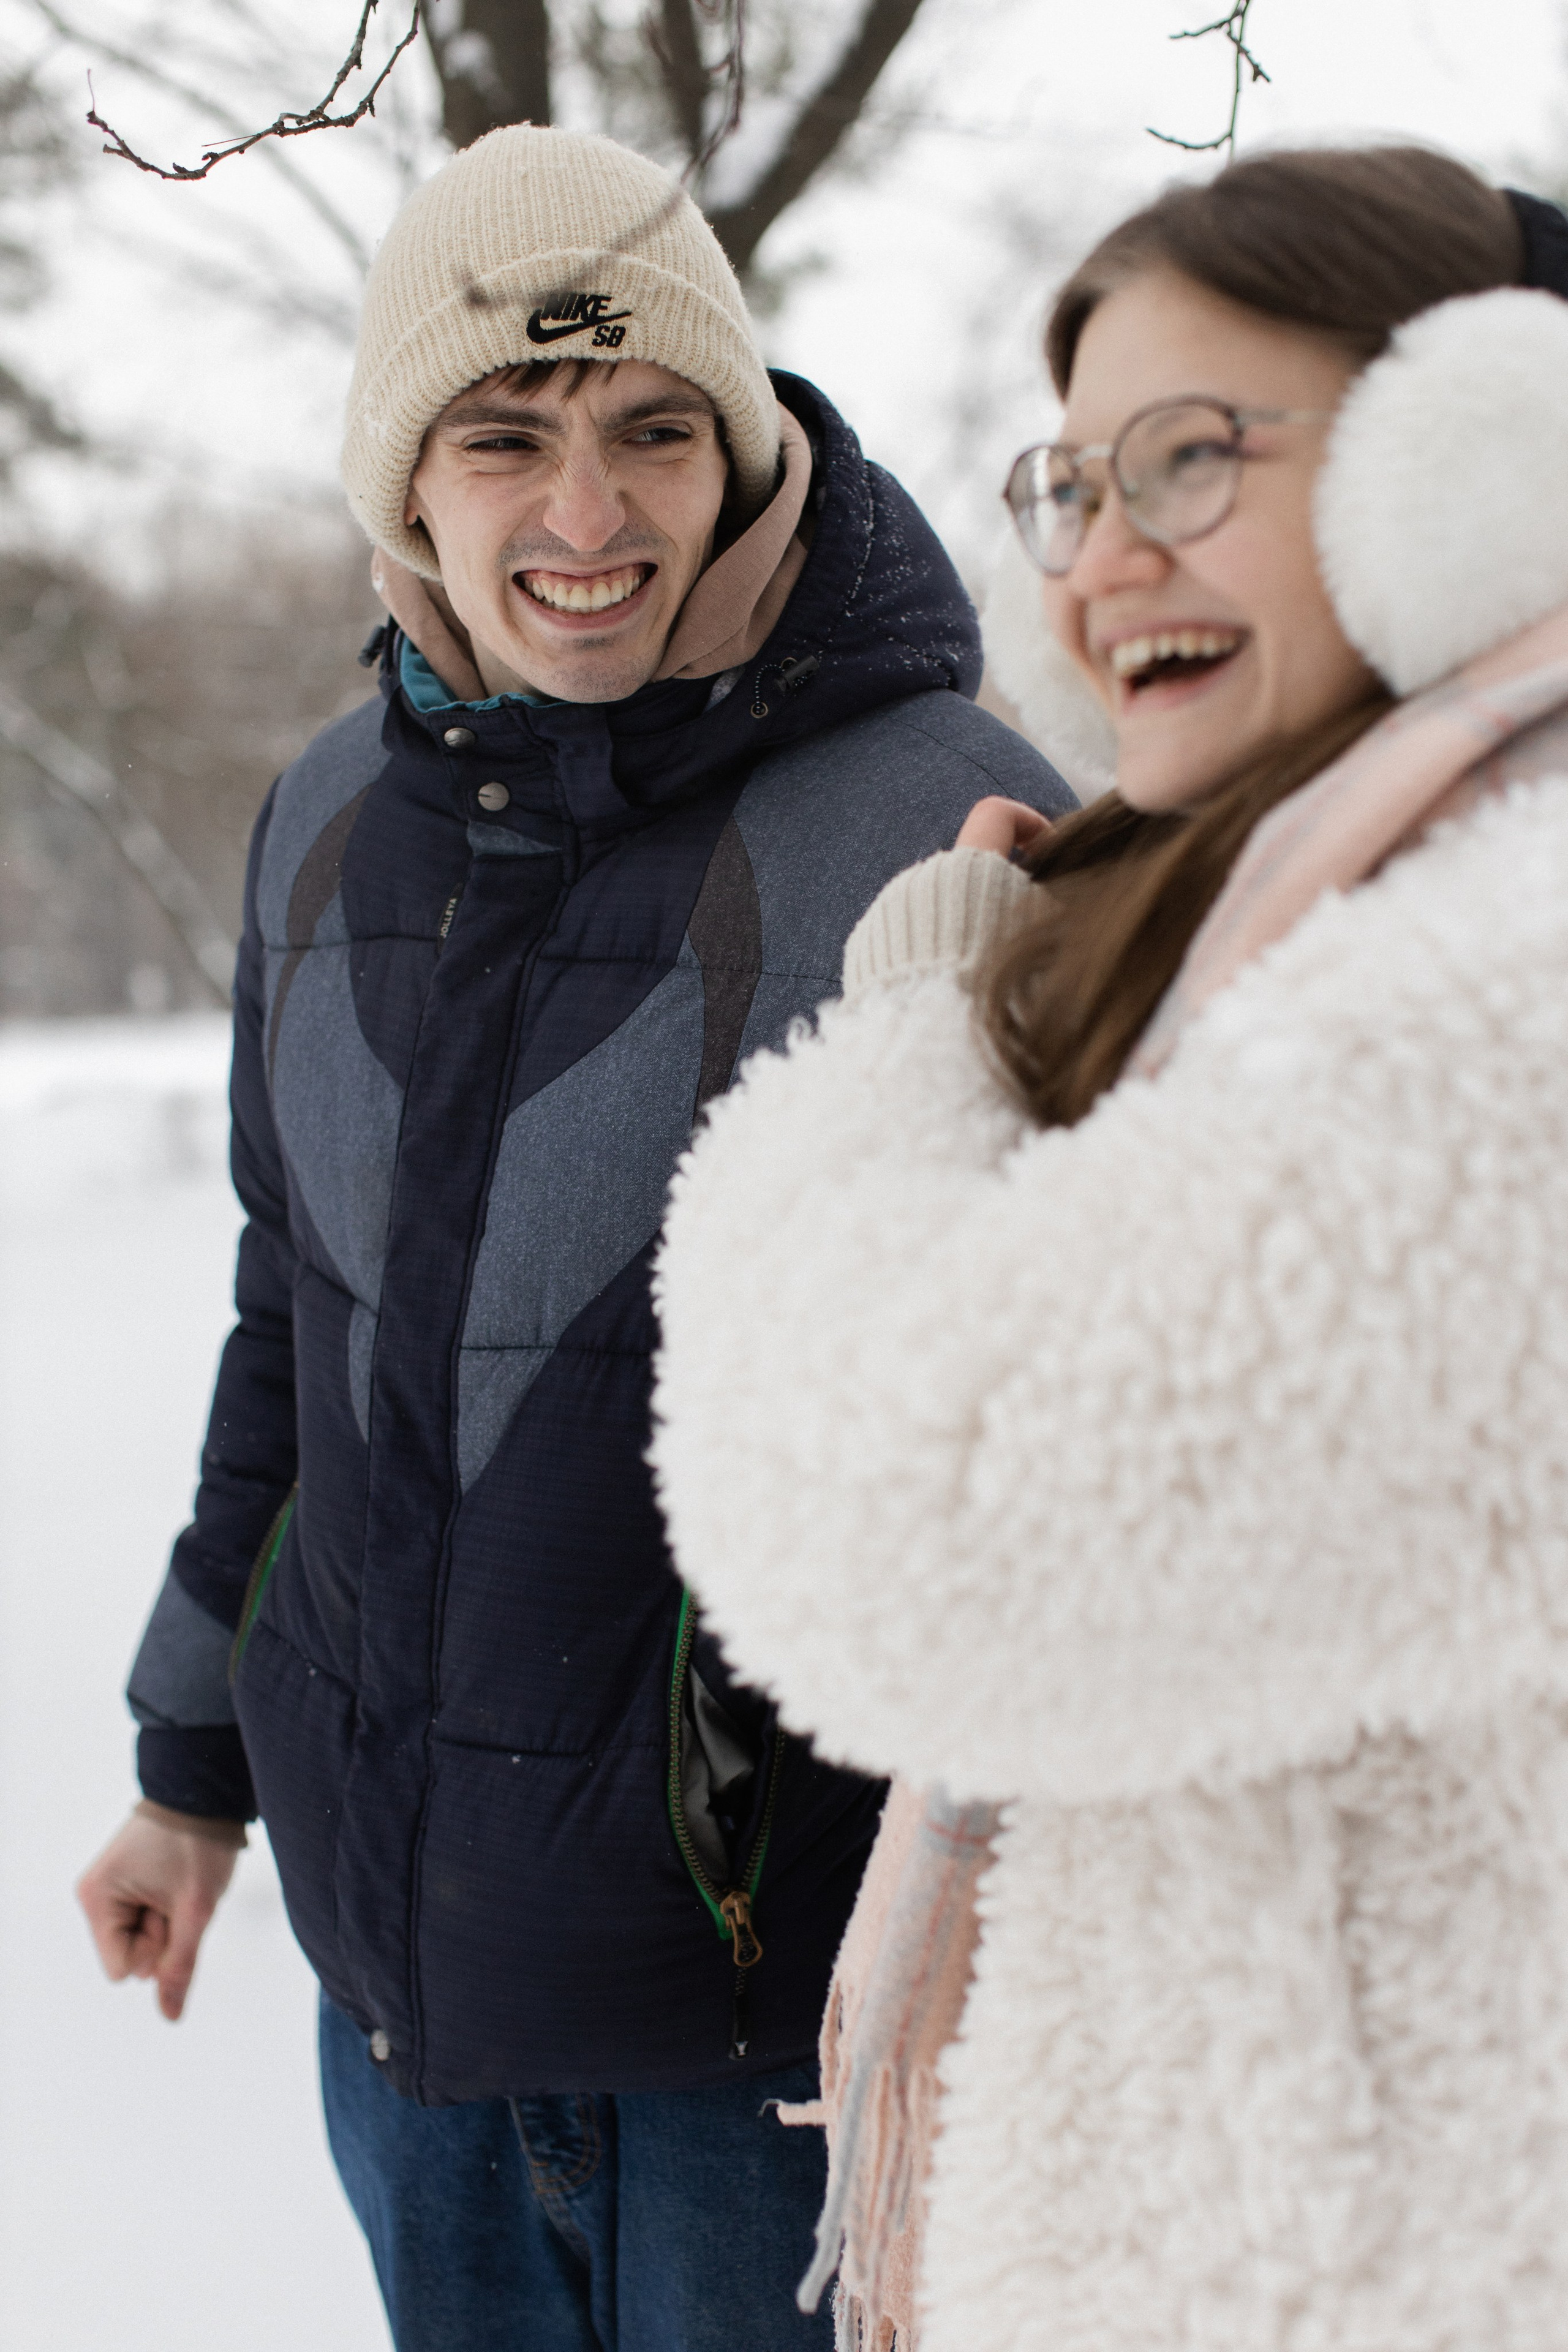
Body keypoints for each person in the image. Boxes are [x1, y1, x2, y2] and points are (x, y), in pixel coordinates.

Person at [75, 124, 1070, 2350]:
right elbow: (291, 1329)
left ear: (746, 453)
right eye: (506, 438)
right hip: (403, 2024)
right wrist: (188, 1773)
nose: (589, 514)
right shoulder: (326, 821)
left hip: (777, 2060)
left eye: (653, 430)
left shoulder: (957, 821)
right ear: (406, 485)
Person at [652, 147, 1568, 2350]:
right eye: (1072, 484)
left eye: (1192, 459)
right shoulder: (1343, 925)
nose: (1102, 560)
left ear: (1479, 455)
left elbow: (896, 1521)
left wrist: (907, 1050)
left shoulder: (1506, 999)